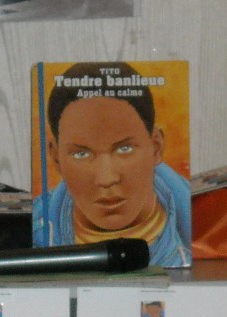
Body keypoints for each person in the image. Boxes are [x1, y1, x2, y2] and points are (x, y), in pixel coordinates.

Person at [33, 62, 192, 267]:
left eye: (124, 149)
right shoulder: (33, 231)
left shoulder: (204, 229)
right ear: (55, 157)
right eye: (81, 153)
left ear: (156, 147)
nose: (106, 179)